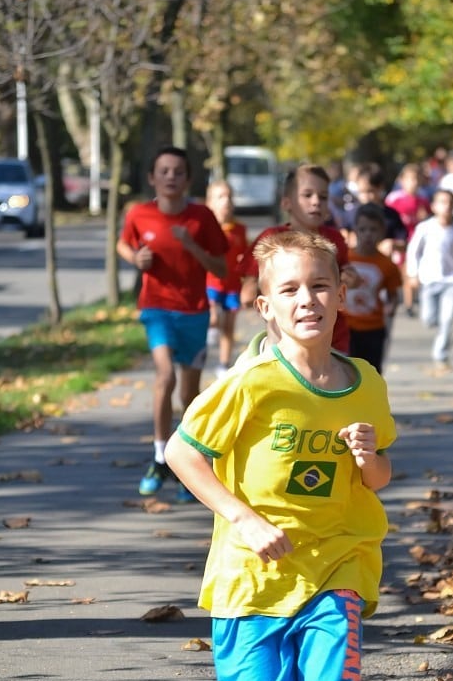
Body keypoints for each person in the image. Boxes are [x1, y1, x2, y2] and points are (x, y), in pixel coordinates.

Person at [164, 230, 396, 681]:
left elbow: (379, 478)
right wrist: (243, 517)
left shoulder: (366, 384)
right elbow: (183, 453)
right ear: (265, 306)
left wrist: (365, 455)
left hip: (338, 572)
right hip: (251, 586)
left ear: (341, 290)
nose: (308, 300)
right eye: (289, 290)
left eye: (320, 286)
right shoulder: (252, 383)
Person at [116, 146, 228, 497]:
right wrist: (136, 257)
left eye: (178, 171)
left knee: (189, 392)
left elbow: (222, 269)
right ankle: (160, 456)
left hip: (194, 311)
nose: (170, 177)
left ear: (188, 179)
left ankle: (185, 464)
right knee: (165, 375)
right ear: (152, 178)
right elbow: (123, 244)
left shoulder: (202, 218)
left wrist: (192, 246)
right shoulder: (140, 214)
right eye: (163, 171)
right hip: (156, 309)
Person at [238, 163, 354, 353]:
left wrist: (351, 278)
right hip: (285, 338)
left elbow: (345, 274)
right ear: (286, 203)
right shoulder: (272, 238)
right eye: (307, 195)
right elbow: (250, 284)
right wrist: (252, 290)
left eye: (323, 197)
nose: (316, 201)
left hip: (333, 338)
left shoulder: (334, 239)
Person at [406, 188, 453, 372]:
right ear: (434, 207)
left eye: (450, 203)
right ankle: (434, 323)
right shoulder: (425, 228)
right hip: (429, 279)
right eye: (442, 202)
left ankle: (441, 355)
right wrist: (412, 274)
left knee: (448, 319)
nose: (447, 206)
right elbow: (413, 251)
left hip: (451, 281)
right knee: (429, 319)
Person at [345, 203, 402, 372]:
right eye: (363, 229)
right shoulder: (345, 258)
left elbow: (393, 294)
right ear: (355, 230)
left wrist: (391, 307)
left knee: (372, 371)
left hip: (374, 327)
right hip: (345, 326)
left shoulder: (387, 265)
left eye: (373, 229)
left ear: (382, 232)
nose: (368, 235)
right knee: (346, 372)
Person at [204, 179, 249, 378]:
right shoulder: (204, 228)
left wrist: (244, 266)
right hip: (210, 282)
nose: (226, 201)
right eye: (220, 197)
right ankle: (211, 326)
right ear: (209, 203)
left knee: (229, 327)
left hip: (232, 285)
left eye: (229, 196)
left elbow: (245, 255)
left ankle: (224, 364)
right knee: (213, 318)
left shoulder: (239, 230)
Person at [384, 163, 431, 315]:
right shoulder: (394, 198)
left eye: (417, 179)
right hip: (400, 242)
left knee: (410, 272)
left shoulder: (423, 200)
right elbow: (387, 218)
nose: (414, 182)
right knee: (399, 272)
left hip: (416, 242)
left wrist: (425, 218)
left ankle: (409, 303)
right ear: (402, 180)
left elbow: (428, 220)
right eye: (410, 179)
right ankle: (394, 298)